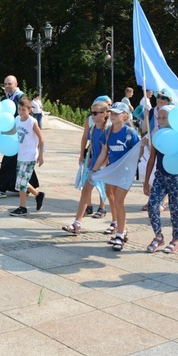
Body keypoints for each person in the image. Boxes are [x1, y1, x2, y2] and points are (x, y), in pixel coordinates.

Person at [86, 102, 140, 251]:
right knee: (114, 200)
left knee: (119, 201)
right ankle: (122, 229)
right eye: (112, 113)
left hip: (125, 172)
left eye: (117, 113)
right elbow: (104, 152)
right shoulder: (108, 132)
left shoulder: (130, 133)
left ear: (125, 115)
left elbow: (138, 152)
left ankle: (120, 234)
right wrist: (95, 169)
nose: (113, 115)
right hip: (113, 170)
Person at [0, 76, 39, 198]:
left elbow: (26, 116)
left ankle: (1, 188)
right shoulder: (3, 99)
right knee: (18, 163)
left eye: (9, 83)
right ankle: (27, 186)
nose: (7, 86)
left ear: (16, 84)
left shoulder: (21, 97)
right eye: (5, 84)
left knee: (9, 162)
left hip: (20, 136)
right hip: (9, 137)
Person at [143, 105, 178, 254]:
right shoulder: (157, 135)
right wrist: (146, 180)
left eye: (164, 117)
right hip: (160, 176)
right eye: (158, 117)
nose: (160, 120)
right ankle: (158, 236)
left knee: (176, 209)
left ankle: (176, 240)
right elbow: (152, 158)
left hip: (177, 177)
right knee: (152, 205)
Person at [68, 100, 110, 232]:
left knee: (112, 196)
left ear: (104, 114)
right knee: (85, 191)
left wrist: (101, 167)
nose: (93, 115)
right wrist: (88, 162)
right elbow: (91, 147)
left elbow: (107, 151)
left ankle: (116, 223)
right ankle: (77, 223)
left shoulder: (108, 130)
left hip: (103, 168)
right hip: (93, 166)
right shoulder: (92, 129)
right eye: (92, 112)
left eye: (96, 113)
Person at [9, 97, 45, 216]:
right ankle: (38, 195)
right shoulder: (17, 119)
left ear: (29, 110)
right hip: (21, 154)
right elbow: (13, 132)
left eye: (23, 109)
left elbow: (41, 138)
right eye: (19, 109)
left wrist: (41, 155)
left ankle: (22, 207)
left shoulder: (32, 121)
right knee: (20, 182)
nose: (21, 112)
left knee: (22, 182)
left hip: (30, 155)